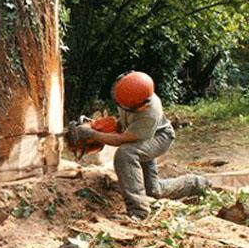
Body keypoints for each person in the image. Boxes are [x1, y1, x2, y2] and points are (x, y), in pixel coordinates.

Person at [75, 71, 209, 219]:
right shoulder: (127, 90)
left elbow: (123, 140)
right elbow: (125, 122)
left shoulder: (149, 114)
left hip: (159, 137)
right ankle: (194, 184)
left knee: (126, 154)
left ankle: (138, 211)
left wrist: (93, 135)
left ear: (137, 106)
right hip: (140, 135)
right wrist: (100, 126)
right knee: (153, 190)